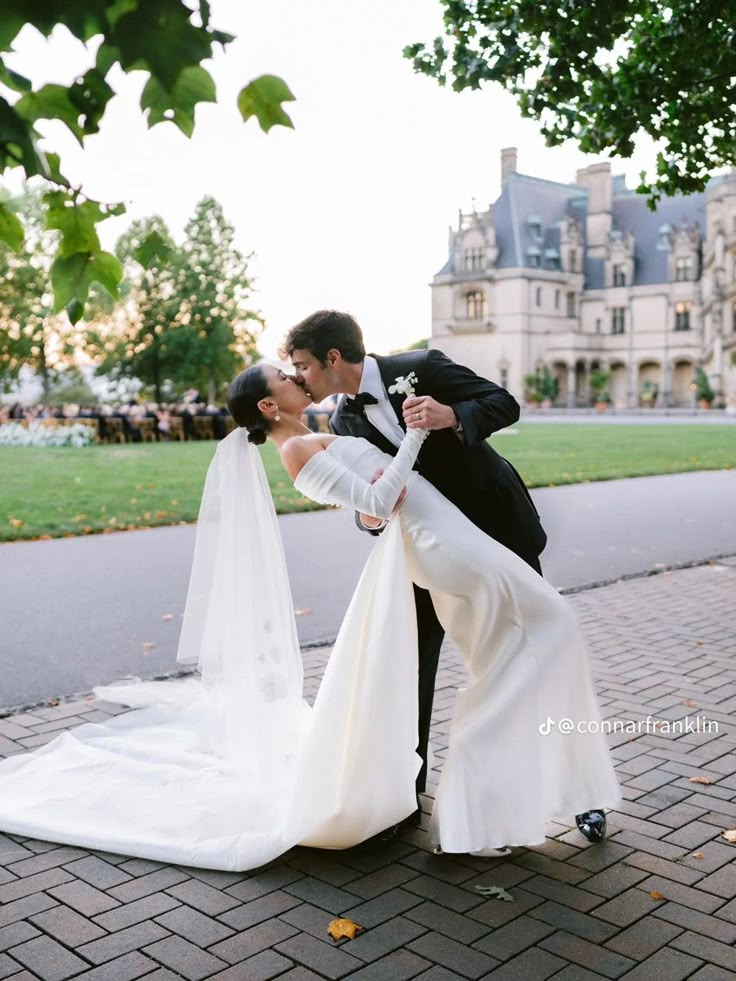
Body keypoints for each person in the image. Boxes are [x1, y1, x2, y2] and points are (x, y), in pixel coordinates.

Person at [282, 311, 609, 844]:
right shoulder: (342, 422)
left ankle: (581, 795)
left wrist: (450, 413)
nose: (298, 378)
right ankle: (404, 799)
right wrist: (367, 517)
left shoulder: (422, 367)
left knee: (538, 649)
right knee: (412, 666)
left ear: (332, 359)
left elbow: (504, 403)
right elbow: (371, 497)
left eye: (301, 367)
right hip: (424, 552)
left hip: (496, 530)